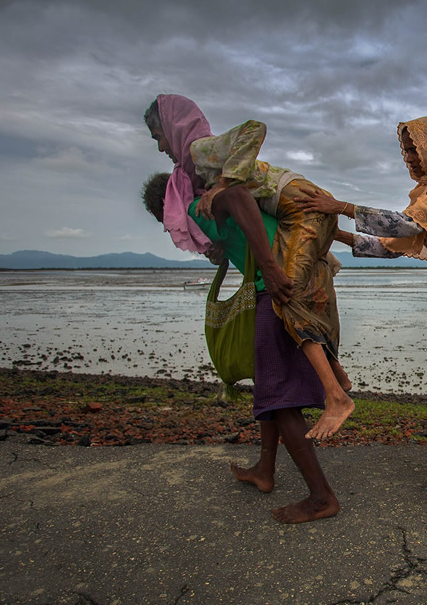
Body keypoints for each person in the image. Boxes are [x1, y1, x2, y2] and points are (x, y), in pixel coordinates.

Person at [297, 116, 427, 511]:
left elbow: (406, 223)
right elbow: (394, 244)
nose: (410, 157)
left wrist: (340, 207)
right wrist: (337, 234)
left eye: (415, 148)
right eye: (406, 150)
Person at [144, 94, 354, 440]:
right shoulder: (194, 173)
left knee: (284, 295)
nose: (160, 147)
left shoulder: (200, 150)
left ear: (171, 126)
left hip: (300, 204)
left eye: (159, 137)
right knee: (293, 298)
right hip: (296, 214)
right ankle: (339, 378)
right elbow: (238, 221)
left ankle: (337, 396)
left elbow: (255, 129)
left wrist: (226, 184)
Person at [141, 172, 339, 523]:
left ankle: (321, 497)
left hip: (274, 289)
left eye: (163, 221)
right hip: (275, 286)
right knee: (268, 385)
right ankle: (264, 468)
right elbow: (242, 236)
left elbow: (237, 198)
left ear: (165, 206)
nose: (170, 228)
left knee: (281, 398)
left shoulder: (195, 206)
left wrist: (267, 268)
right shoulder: (204, 210)